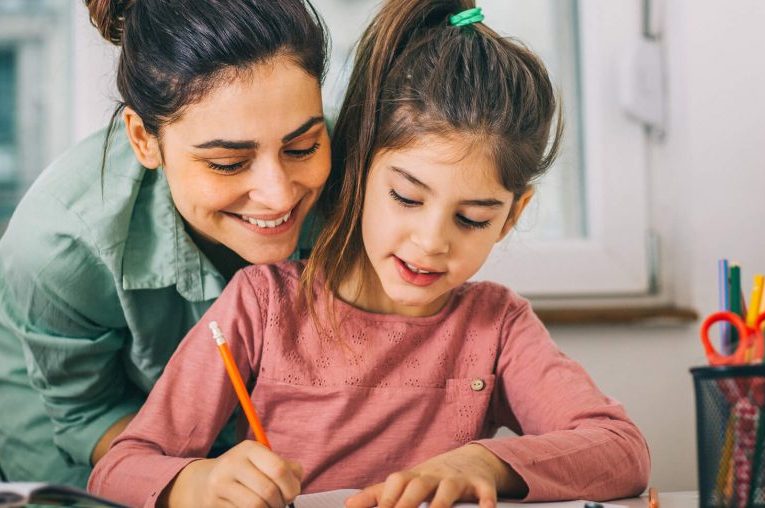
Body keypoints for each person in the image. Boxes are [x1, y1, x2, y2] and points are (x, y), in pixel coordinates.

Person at [88, 1, 651, 506]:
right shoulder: (263, 305)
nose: (432, 241)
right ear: (358, 169)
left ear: (512, 216)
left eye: (473, 218)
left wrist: (484, 462)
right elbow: (119, 467)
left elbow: (622, 451)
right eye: (406, 197)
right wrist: (195, 483)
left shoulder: (497, 327)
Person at [0, 0, 330, 486]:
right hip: (74, 430)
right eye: (227, 163)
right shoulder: (61, 244)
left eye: (303, 147)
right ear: (143, 140)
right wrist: (187, 481)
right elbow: (86, 413)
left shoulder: (367, 178)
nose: (279, 193)